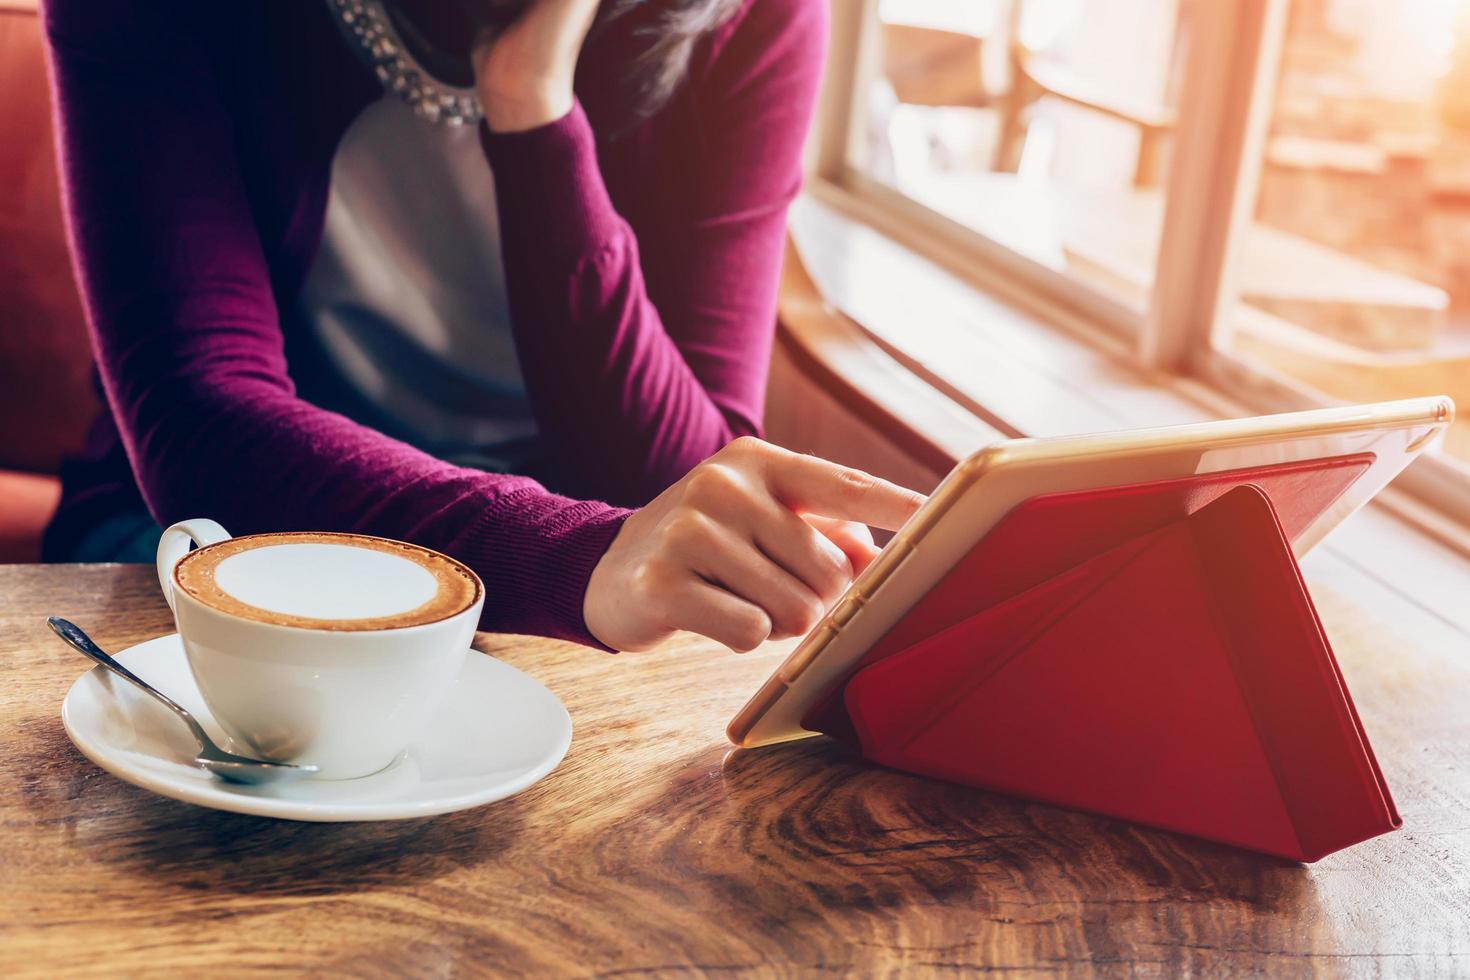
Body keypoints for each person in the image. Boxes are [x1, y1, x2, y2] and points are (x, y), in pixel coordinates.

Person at [40, 0, 925, 653]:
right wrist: (576, 557)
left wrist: (534, 102)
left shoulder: (750, 16)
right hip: (216, 533)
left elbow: (683, 471)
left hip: (580, 572)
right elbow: (202, 417)